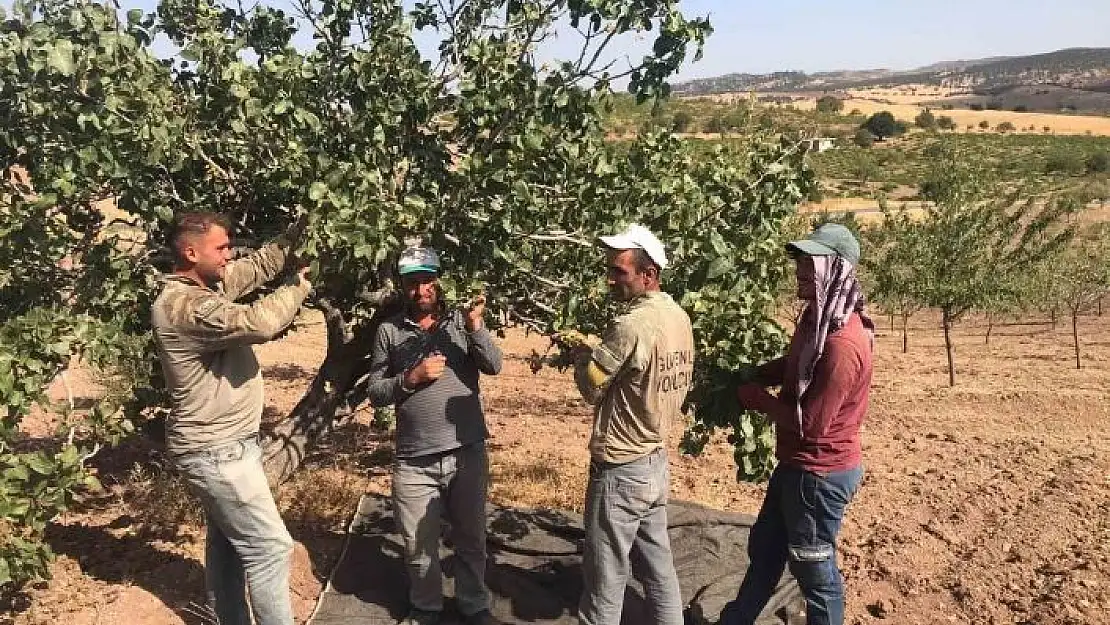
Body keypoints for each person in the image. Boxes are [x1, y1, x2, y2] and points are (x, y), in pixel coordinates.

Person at [151, 212, 312, 625]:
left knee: (229, 548)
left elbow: (258, 265)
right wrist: (300, 284)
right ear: (190, 252)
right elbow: (260, 323)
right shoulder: (185, 306)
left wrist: (306, 228)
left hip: (225, 448)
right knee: (271, 549)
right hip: (216, 453)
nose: (229, 255)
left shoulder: (208, 285)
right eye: (221, 248)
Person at [720, 223, 874, 625]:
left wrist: (757, 401)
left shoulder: (843, 347)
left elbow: (813, 427)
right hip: (797, 466)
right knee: (767, 550)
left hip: (818, 474)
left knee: (813, 570)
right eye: (801, 262)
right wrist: (758, 373)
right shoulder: (819, 320)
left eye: (810, 263)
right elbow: (796, 365)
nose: (800, 272)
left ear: (835, 270)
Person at [361, 243, 502, 625]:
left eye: (427, 281)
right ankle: (426, 609)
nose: (421, 290)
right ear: (401, 285)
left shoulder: (460, 321)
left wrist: (476, 327)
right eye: (412, 282)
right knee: (417, 545)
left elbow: (494, 365)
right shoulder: (389, 331)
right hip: (413, 459)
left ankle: (474, 605)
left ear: (439, 282)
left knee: (471, 539)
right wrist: (409, 379)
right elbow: (375, 392)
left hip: (466, 452)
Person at [572, 224, 695, 625]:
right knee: (659, 569)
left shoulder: (632, 326)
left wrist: (580, 355)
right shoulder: (678, 317)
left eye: (619, 271)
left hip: (621, 469)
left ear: (649, 274)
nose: (611, 279)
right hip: (655, 461)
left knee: (605, 580)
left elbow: (591, 386)